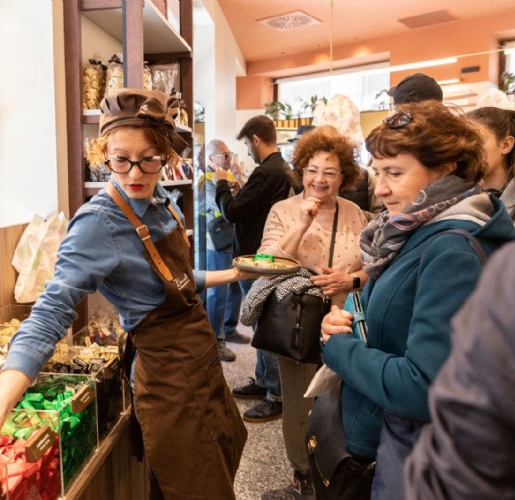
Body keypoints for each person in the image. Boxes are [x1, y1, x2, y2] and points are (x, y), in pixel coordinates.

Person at [0, 89, 259, 500]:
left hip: (202, 364)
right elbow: (48, 316)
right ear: (102, 154)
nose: (134, 173)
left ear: (166, 155)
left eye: (149, 158)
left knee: (222, 462)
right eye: (119, 159)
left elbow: (176, 281)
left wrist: (231, 273)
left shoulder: (164, 202)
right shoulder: (97, 224)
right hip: (168, 380)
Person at [320, 100, 515, 499]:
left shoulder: (452, 249)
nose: (382, 187)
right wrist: (350, 322)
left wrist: (339, 349)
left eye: (394, 172)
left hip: (407, 453)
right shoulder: (417, 228)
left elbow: (423, 388)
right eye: (378, 172)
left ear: (445, 171)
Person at [259, 129, 369, 497]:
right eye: (312, 170)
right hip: (298, 320)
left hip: (345, 321)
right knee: (299, 397)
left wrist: (348, 279)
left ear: (345, 177)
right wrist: (303, 222)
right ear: (300, 171)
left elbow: (374, 267)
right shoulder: (283, 210)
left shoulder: (357, 214)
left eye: (330, 172)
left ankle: (335, 472)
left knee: (340, 398)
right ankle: (302, 477)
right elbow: (266, 264)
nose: (319, 179)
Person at [403, 241, 515, 499]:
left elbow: (418, 383)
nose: (382, 196)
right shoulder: (397, 236)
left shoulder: (452, 250)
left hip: (401, 434)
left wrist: (341, 349)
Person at [212, 115, 292, 423]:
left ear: (256, 140)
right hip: (262, 256)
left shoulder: (268, 171)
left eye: (247, 144)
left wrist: (221, 182)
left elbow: (232, 211)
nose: (246, 151)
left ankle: (276, 394)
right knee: (260, 324)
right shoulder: (277, 171)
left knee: (263, 326)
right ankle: (263, 381)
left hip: (257, 258)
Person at [205, 139, 250, 362]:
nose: (229, 159)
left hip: (231, 238)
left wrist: (238, 180)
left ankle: (229, 328)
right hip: (215, 242)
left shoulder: (226, 177)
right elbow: (224, 209)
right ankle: (216, 339)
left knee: (235, 286)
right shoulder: (206, 179)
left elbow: (242, 205)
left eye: (229, 154)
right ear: (211, 159)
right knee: (218, 291)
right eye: (224, 155)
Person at [466, 106, 515, 220]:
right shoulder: (456, 196)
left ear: (506, 145)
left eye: (476, 140)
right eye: (461, 142)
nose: (466, 149)